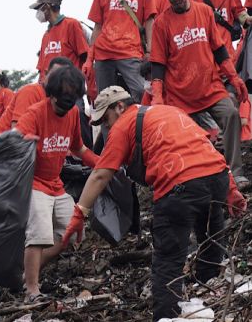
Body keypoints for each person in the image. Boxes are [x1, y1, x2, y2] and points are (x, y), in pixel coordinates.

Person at [61, 86, 247, 321]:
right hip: (215, 179)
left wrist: (79, 214)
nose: (107, 127)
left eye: (106, 119)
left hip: (179, 187)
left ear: (120, 107)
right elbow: (206, 147)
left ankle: (166, 316)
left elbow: (100, 175)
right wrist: (230, 190)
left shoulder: (123, 125)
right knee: (210, 244)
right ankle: (210, 299)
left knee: (168, 262)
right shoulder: (171, 112)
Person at [150, 0, 250, 190]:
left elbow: (220, 50)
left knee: (231, 114)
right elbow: (158, 65)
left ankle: (236, 172)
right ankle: (197, 178)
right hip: (179, 94)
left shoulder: (204, 11)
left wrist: (234, 78)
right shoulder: (161, 24)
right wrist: (158, 96)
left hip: (210, 87)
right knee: (182, 137)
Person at [14, 64, 99, 301]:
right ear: (50, 95)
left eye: (69, 105)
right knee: (39, 235)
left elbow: (78, 147)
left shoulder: (72, 113)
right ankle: (32, 289)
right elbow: (15, 146)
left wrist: (101, 163)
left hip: (55, 184)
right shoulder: (34, 114)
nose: (63, 110)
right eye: (59, 104)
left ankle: (20, 273)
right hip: (33, 184)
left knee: (69, 235)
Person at [86, 0, 156, 102]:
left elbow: (149, 20)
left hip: (130, 52)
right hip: (103, 55)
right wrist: (90, 58)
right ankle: (109, 128)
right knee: (105, 100)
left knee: (140, 92)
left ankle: (142, 124)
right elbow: (97, 27)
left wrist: (150, 51)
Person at [30, 0, 89, 83]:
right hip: (49, 89)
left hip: (69, 85)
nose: (37, 13)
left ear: (46, 7)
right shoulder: (46, 35)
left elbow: (85, 56)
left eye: (39, 8)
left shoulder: (71, 24)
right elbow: (41, 68)